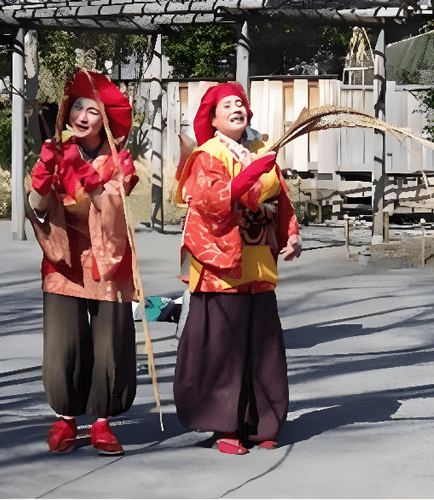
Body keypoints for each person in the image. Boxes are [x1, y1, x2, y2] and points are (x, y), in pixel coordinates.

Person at [173, 82, 302, 455]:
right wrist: (246, 178)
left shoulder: (262, 150)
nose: (237, 108)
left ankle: (263, 422)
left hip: (258, 260)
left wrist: (290, 234)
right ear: (212, 117)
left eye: (241, 103)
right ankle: (223, 426)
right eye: (227, 105)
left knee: (263, 346)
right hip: (220, 265)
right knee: (223, 346)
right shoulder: (207, 153)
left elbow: (281, 198)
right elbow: (209, 201)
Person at [26, 69, 138, 456]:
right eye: (77, 107)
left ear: (105, 118)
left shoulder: (121, 160)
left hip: (109, 258)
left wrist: (89, 181)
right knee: (64, 342)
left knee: (111, 343)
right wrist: (42, 181)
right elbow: (39, 210)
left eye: (93, 109)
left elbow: (114, 212)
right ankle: (66, 419)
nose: (83, 115)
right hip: (64, 259)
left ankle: (102, 421)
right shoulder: (55, 153)